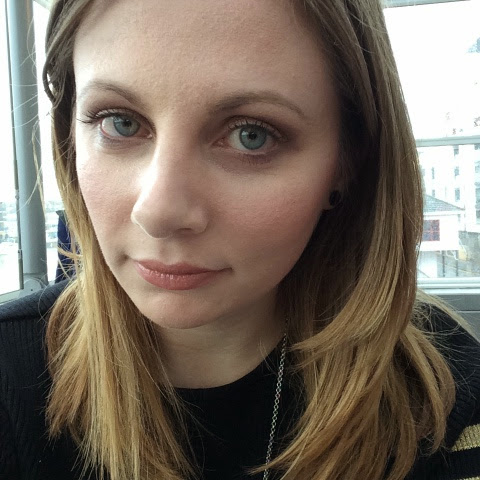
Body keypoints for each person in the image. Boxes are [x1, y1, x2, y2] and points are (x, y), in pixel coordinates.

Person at [1, 0, 479, 479]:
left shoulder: (442, 391)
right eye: (119, 122)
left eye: (252, 135)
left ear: (346, 163)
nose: (159, 212)